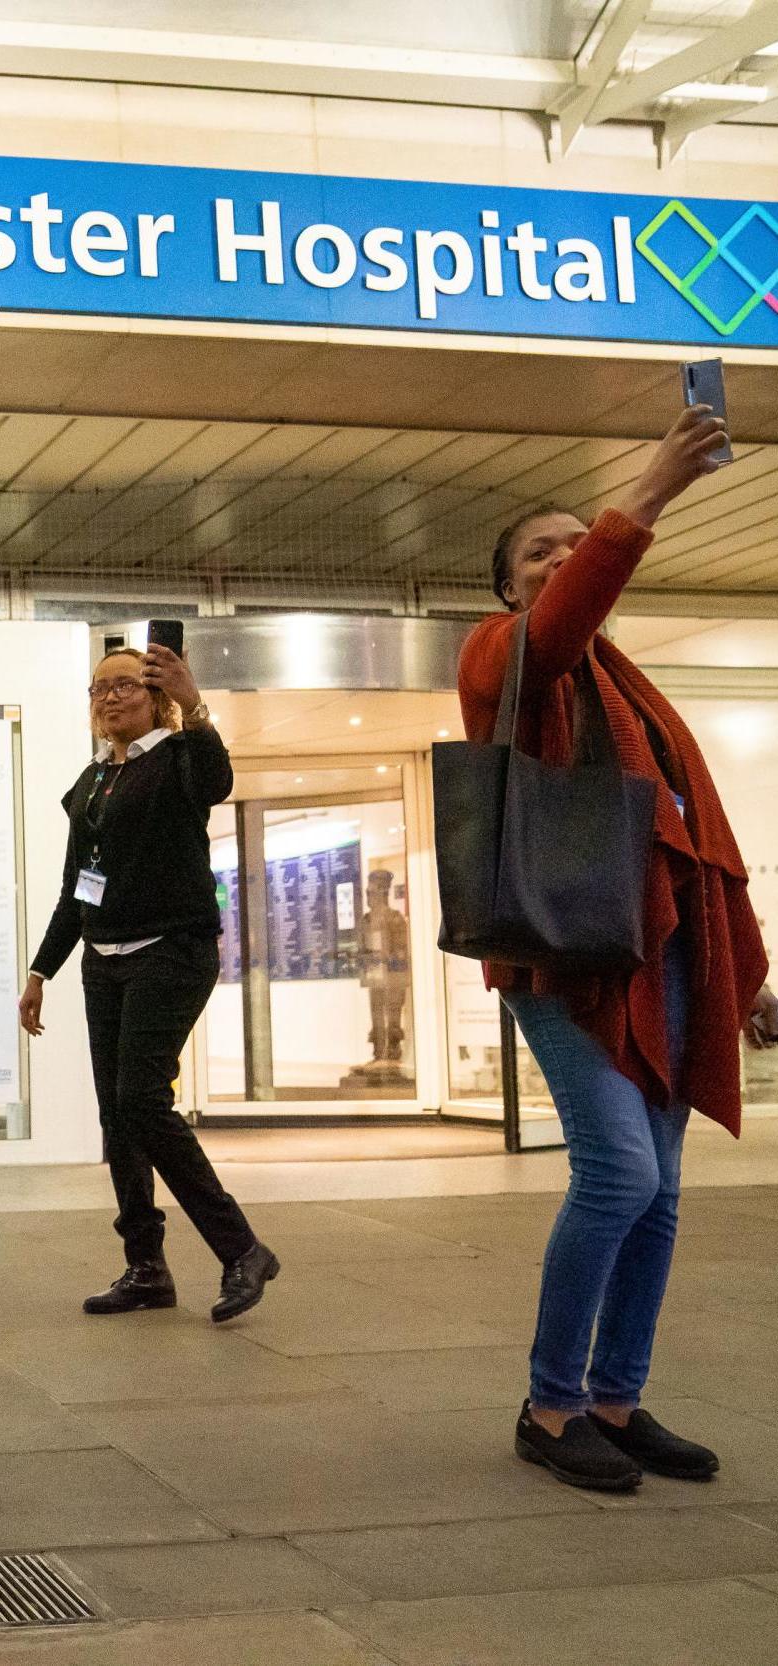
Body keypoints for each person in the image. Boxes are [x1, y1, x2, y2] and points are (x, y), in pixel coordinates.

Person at [464, 405, 778, 1492]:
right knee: (617, 1176)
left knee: (662, 1190)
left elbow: (695, 836)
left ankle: (615, 1395)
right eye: (536, 552)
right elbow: (557, 629)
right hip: (567, 959)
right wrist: (644, 493)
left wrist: (743, 968)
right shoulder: (504, 655)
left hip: (665, 957)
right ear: (508, 588)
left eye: (570, 543)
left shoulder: (631, 688)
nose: (560, 558)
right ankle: (550, 1407)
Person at [19, 643, 278, 1324]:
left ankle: (240, 1248)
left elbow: (217, 780)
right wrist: (40, 968)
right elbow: (77, 887)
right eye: (98, 689)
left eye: (124, 686)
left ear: (155, 696)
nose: (108, 698)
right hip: (102, 959)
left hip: (172, 948)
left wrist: (194, 705)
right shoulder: (91, 781)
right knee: (116, 1114)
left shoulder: (178, 757)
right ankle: (144, 1266)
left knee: (140, 1098)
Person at [359, 869, 411, 1070]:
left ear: (383, 892)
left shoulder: (395, 918)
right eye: (368, 892)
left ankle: (392, 1052)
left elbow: (401, 951)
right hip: (375, 977)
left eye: (372, 892)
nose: (369, 896)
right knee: (376, 1014)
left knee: (392, 1014)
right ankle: (378, 1052)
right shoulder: (366, 920)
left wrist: (387, 958)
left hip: (393, 977)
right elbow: (362, 948)